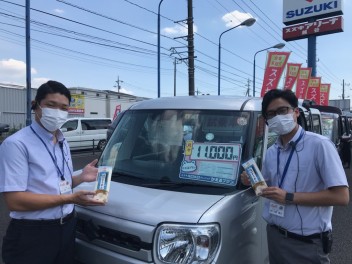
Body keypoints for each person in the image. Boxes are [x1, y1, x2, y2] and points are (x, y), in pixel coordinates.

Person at [0, 80, 105, 264]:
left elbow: (56, 185)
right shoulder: (16, 144)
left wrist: (81, 177)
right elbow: (15, 201)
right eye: (51, 105)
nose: (58, 112)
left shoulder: (62, 141)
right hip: (32, 234)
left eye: (64, 107)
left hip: (67, 229)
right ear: (37, 106)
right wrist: (70, 199)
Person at [241, 89, 349, 264]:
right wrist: (250, 180)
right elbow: (266, 183)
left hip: (306, 243)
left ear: (296, 112)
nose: (277, 117)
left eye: (282, 111)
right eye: (270, 114)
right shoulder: (271, 151)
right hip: (274, 235)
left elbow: (341, 196)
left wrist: (289, 197)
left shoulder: (320, 145)